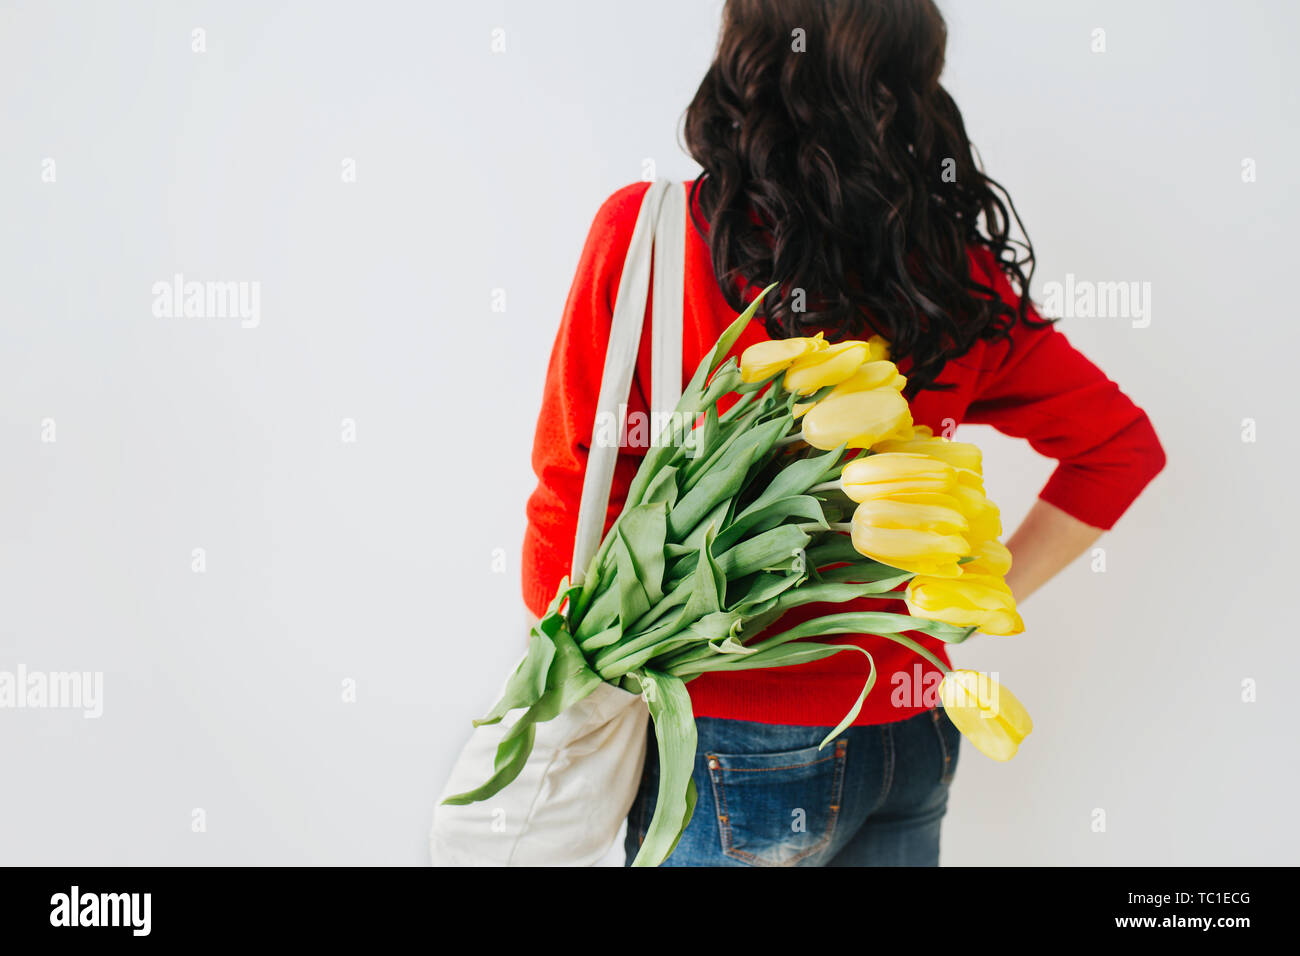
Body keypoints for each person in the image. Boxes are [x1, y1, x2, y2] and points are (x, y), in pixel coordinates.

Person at [521, 0, 1165, 866]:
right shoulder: (948, 272)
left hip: (733, 744)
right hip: (912, 730)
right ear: (906, 81)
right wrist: (963, 605)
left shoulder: (654, 237)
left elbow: (568, 526)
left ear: (747, 58)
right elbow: (1120, 448)